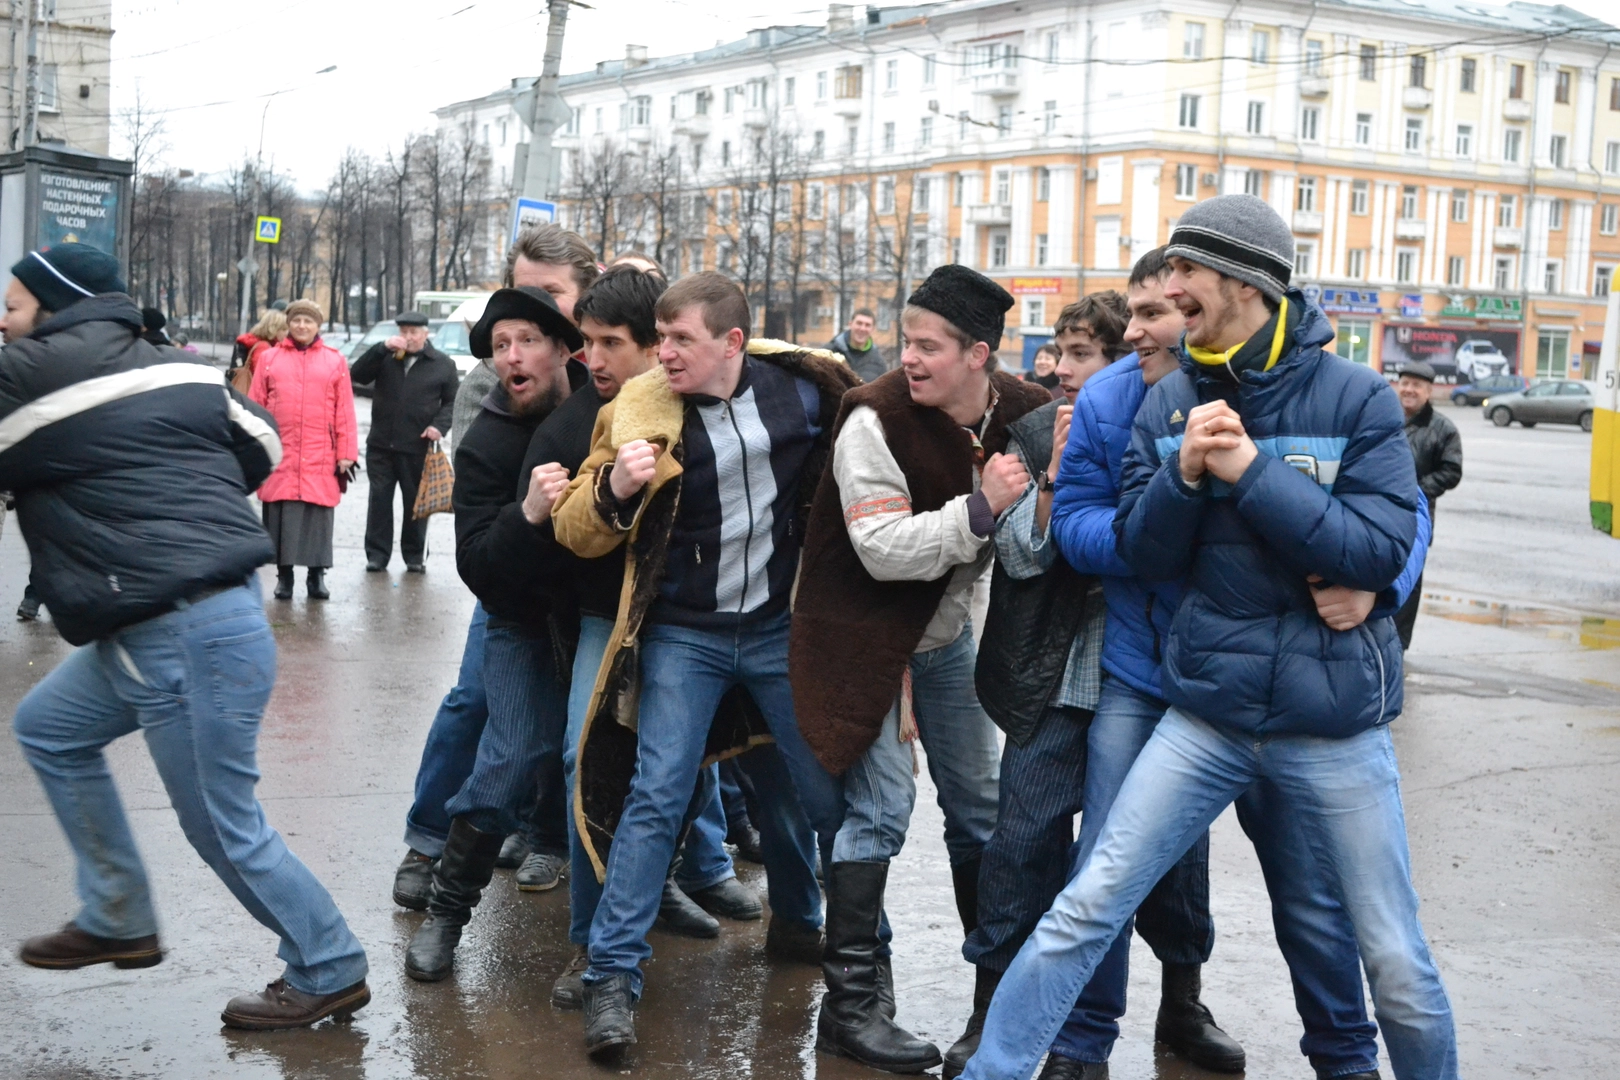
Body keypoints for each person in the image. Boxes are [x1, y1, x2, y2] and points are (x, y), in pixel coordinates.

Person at [962, 194, 1455, 1080]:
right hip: (1202, 709)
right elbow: (1137, 549)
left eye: (1187, 271)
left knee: (1391, 958)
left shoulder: (1357, 396)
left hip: (1329, 721)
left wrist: (1254, 472)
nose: (1172, 287)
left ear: (1246, 281)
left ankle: (1349, 1060)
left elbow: (1384, 544)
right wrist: (1184, 475)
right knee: (1089, 903)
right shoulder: (1167, 400)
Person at [1, 243, 370, 1029]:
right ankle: (118, 913)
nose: (3, 320)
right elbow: (262, 443)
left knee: (223, 825)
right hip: (196, 616)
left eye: (12, 305)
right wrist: (184, 497)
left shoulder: (21, 376)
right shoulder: (183, 367)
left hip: (178, 634)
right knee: (49, 728)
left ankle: (329, 965)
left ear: (55, 308)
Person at [552, 272, 853, 1059]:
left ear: (732, 343)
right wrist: (616, 489)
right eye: (660, 337)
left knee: (826, 791)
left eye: (681, 338)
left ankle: (859, 971)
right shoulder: (639, 410)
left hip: (778, 630)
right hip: (685, 634)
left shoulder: (806, 395)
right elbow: (575, 528)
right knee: (655, 792)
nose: (665, 353)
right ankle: (611, 978)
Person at [790, 264, 1052, 1074]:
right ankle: (849, 1011)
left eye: (929, 346)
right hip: (860, 635)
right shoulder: (873, 418)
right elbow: (880, 549)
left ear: (978, 355)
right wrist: (981, 507)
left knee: (982, 811)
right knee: (880, 810)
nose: (908, 357)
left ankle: (993, 1004)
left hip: (942, 640)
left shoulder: (1024, 414)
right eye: (906, 340)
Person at [521, 266, 765, 1008]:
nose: (592, 359)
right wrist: (595, 496)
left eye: (611, 343)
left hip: (706, 620)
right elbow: (544, 546)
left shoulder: (716, 393)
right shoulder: (573, 425)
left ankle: (764, 903)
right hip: (611, 618)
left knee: (730, 763)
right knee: (589, 759)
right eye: (587, 342)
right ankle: (590, 940)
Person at [392, 225, 600, 910]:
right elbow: (479, 529)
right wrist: (528, 515)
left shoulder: (605, 377)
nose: (528, 309)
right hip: (512, 585)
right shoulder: (488, 384)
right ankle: (430, 841)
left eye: (549, 294)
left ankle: (556, 839)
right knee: (477, 702)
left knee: (593, 726)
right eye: (519, 292)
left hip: (588, 593)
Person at [948, 293, 1128, 1077]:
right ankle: (989, 1008)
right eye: (1061, 352)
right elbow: (1023, 558)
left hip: (1136, 685)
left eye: (1082, 354)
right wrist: (1056, 471)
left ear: (1124, 363)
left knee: (1146, 870)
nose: (1061, 369)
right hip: (1051, 682)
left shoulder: (1162, 425)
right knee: (1019, 847)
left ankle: (1182, 1005)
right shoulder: (1036, 431)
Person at [249, 298, 357, 601]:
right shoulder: (269, 358)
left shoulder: (335, 361)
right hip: (281, 452)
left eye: (308, 321)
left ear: (317, 326)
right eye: (296, 320)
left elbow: (344, 410)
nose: (301, 326)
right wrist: (254, 447)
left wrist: (346, 452)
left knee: (317, 518)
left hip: (320, 454)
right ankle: (284, 577)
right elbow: (256, 405)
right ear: (288, 323)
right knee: (281, 515)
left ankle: (316, 576)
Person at [350, 310, 459, 574]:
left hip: (417, 445)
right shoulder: (386, 357)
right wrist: (381, 348)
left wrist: (439, 426)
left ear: (426, 334)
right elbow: (358, 374)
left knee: (415, 503)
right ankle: (377, 555)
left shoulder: (442, 364)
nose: (408, 337)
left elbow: (452, 402)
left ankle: (414, 555)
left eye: (413, 332)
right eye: (403, 332)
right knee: (379, 501)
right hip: (381, 444)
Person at [1393, 360, 1461, 649]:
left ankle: (1398, 644)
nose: (1409, 390)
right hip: (1380, 510)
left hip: (1417, 516)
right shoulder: (1384, 416)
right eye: (1405, 383)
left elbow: (1451, 471)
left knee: (1408, 580)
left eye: (1416, 386)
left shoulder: (1443, 429)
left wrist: (1416, 492)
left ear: (1428, 391)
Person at [230, 310, 287, 395]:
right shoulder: (263, 346)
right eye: (283, 329)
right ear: (273, 329)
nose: (286, 333)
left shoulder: (254, 341)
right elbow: (261, 375)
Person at [826, 307, 888, 383]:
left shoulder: (878, 362)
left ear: (873, 329)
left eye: (867, 325)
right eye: (859, 323)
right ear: (850, 324)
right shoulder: (828, 353)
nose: (862, 329)